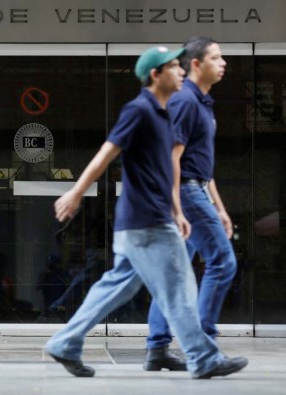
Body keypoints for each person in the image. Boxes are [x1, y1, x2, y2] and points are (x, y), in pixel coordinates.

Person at [44, 46, 248, 379]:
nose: (181, 71)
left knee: (118, 285)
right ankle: (203, 357)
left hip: (146, 219)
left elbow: (167, 170)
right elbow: (106, 153)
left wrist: (178, 210)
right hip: (147, 219)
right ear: (156, 74)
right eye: (173, 67)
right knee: (180, 285)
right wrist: (76, 192)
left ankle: (65, 342)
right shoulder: (139, 110)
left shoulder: (165, 113)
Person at [145, 37, 237, 371]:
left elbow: (202, 165)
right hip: (184, 192)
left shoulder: (202, 103)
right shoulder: (185, 101)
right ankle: (205, 348)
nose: (223, 62)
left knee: (173, 274)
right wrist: (177, 207)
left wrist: (221, 208)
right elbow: (173, 158)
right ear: (195, 64)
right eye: (216, 57)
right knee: (223, 263)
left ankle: (157, 349)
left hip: (195, 188)